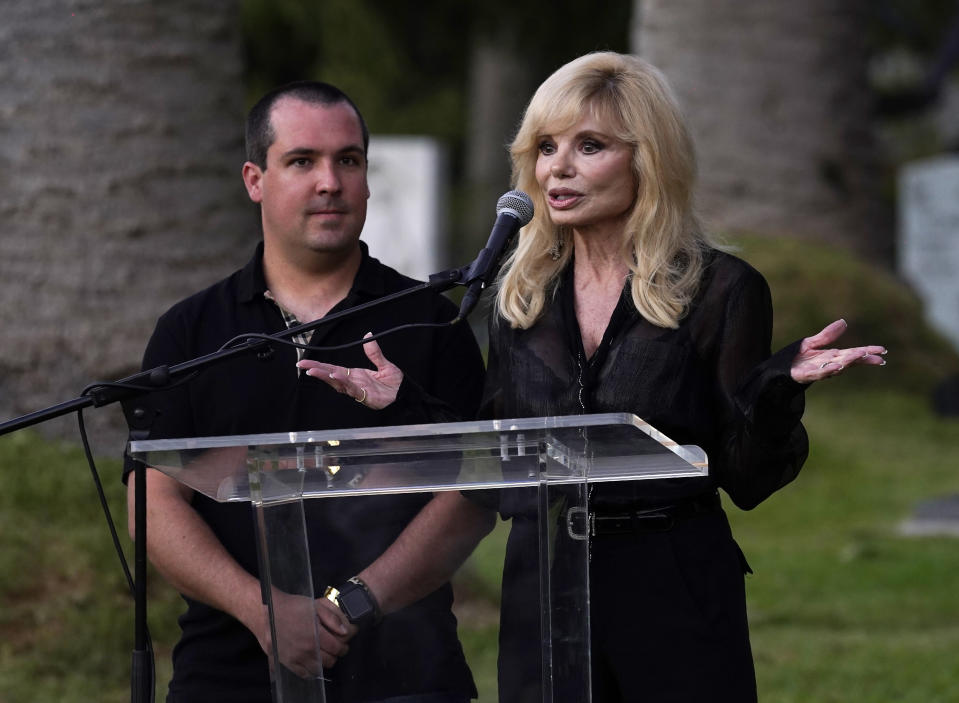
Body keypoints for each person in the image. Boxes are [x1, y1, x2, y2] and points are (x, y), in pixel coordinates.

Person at [479, 52, 888, 702]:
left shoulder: (720, 290)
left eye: (589, 146)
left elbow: (747, 478)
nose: (556, 166)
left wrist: (777, 391)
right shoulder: (519, 299)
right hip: (546, 581)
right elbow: (495, 459)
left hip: (670, 578)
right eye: (545, 146)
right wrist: (406, 400)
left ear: (648, 157)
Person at [124, 81, 492, 703]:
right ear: (254, 179)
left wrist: (352, 605)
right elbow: (152, 496)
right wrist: (263, 610)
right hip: (228, 670)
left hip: (405, 670)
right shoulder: (191, 330)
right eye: (302, 161)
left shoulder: (432, 323)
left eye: (348, 161)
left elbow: (477, 492)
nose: (330, 182)